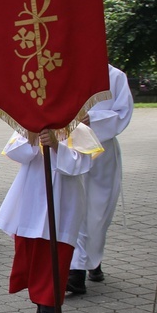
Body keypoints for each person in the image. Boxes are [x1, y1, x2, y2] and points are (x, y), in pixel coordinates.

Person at [0, 124, 103, 313]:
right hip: (32, 198)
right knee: (34, 257)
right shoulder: (30, 123)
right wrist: (33, 137)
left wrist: (55, 146)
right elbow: (16, 152)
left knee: (57, 259)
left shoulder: (77, 128)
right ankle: (44, 306)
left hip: (64, 204)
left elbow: (80, 164)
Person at [67, 64, 133, 294]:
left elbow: (123, 112)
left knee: (97, 211)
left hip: (101, 150)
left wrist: (93, 118)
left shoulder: (114, 76)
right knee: (73, 207)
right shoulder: (67, 71)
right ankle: (76, 270)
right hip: (70, 149)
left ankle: (93, 260)